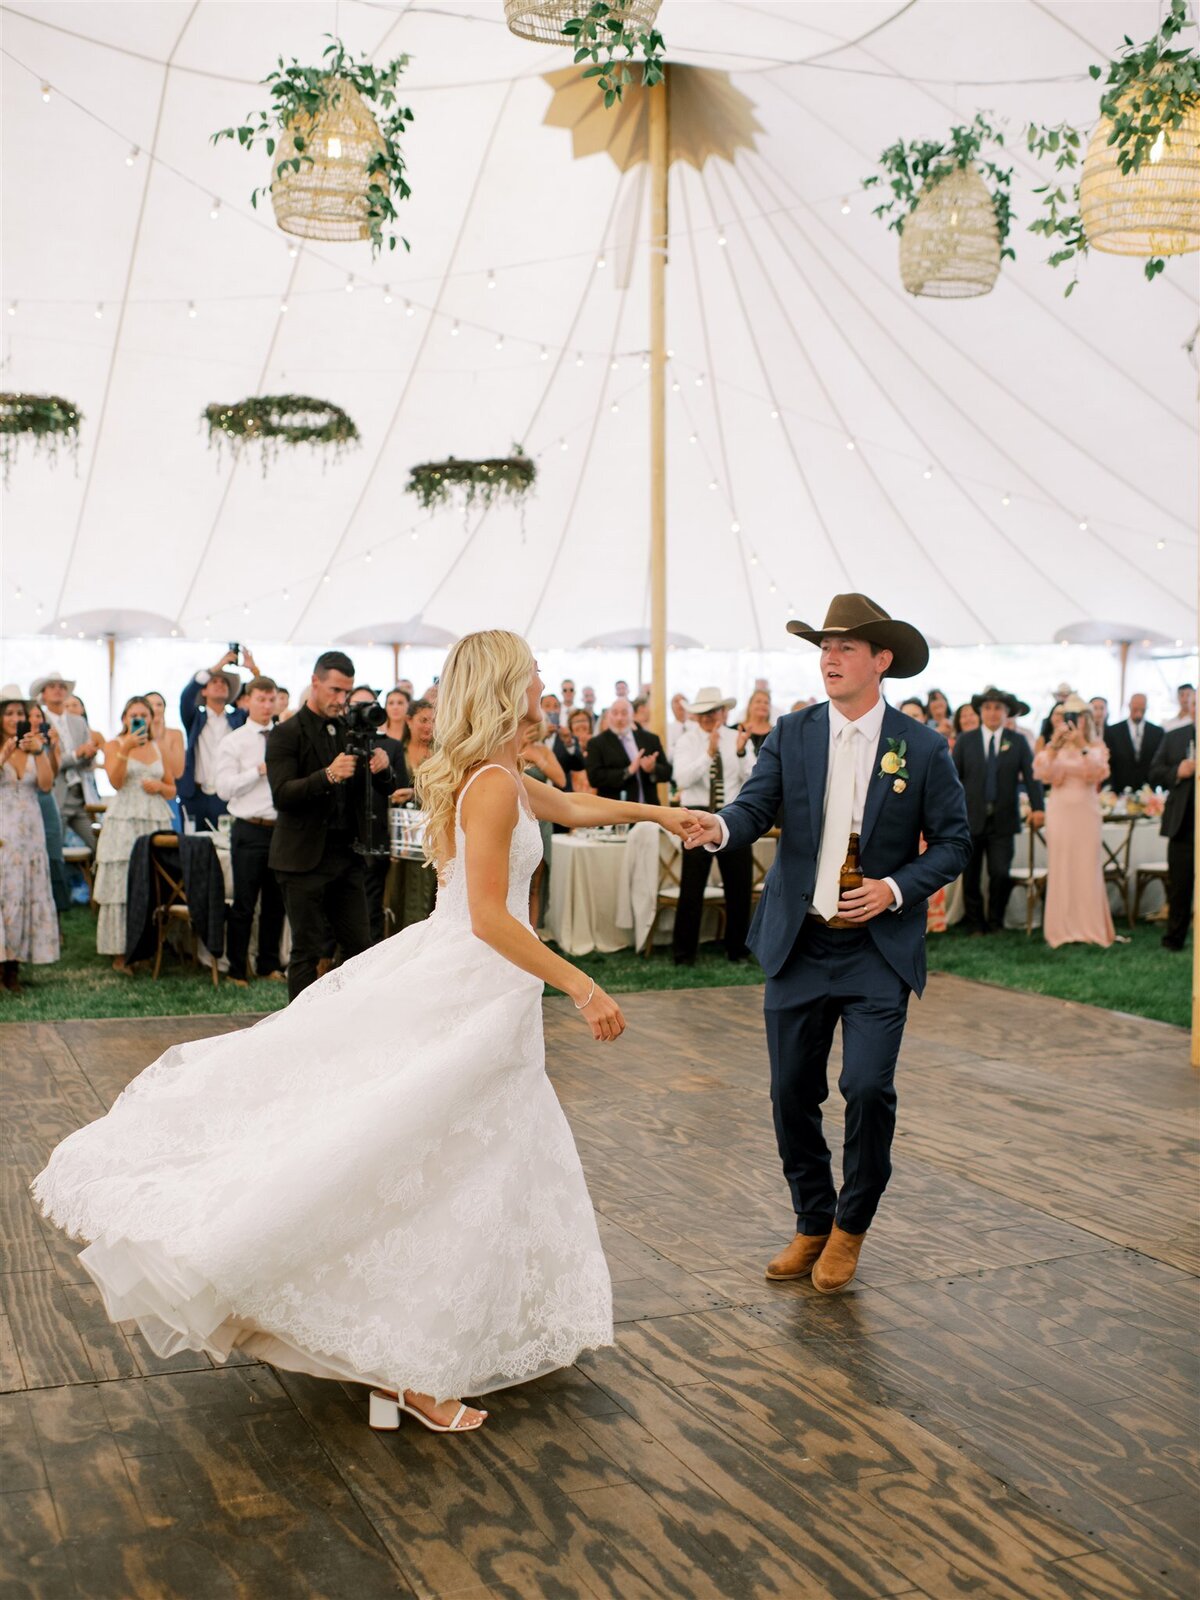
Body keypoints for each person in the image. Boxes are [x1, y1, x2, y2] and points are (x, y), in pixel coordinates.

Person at [32, 629, 696, 1438]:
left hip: (486, 989)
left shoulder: (500, 774)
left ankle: (412, 1356)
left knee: (465, 1162)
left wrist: (660, 813)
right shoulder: (489, 784)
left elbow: (568, 805)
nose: (542, 681)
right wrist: (582, 982)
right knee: (425, 1157)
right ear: (504, 687)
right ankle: (407, 1370)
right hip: (472, 988)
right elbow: (489, 917)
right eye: (532, 673)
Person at [681, 594, 970, 1295]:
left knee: (867, 1088)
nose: (830, 658)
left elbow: (956, 842)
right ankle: (813, 1218)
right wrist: (718, 829)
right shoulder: (793, 732)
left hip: (877, 951)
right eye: (824, 647)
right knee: (789, 1093)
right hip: (799, 944)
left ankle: (851, 1227)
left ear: (881, 661)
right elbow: (754, 809)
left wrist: (895, 889)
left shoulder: (923, 747)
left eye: (845, 647)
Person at [265, 651, 393, 999]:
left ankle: (348, 1023)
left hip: (346, 856)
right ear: (315, 682)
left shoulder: (350, 731)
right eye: (335, 690)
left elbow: (382, 789)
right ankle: (299, 1035)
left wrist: (383, 767)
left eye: (346, 693)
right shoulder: (285, 734)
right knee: (307, 950)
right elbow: (282, 794)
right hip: (301, 859)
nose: (341, 700)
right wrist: (327, 776)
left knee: (360, 947)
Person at [671, 688, 756, 966]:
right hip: (696, 816)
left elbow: (754, 778)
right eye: (704, 713)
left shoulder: (738, 738)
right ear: (696, 716)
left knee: (739, 887)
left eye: (714, 711)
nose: (709, 717)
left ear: (724, 712)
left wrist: (742, 752)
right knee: (692, 887)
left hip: (733, 817)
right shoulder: (687, 740)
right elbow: (681, 778)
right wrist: (708, 753)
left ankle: (738, 950)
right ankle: (684, 955)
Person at [953, 688, 1046, 935]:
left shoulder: (1017, 742)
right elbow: (953, 780)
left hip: (1004, 819)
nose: (992, 713)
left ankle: (995, 921)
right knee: (971, 875)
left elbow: (1032, 777)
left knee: (999, 873)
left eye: (998, 708)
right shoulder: (965, 741)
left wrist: (1038, 808)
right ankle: (975, 923)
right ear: (980, 712)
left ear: (1007, 713)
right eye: (988, 708)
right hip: (970, 819)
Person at [95, 696, 176, 968]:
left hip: (154, 818)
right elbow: (116, 782)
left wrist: (160, 787)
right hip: (124, 819)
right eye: (133, 714)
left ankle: (151, 946)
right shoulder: (114, 744)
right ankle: (121, 952)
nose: (139, 718)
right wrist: (126, 748)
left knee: (151, 879)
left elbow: (172, 788)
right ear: (124, 718)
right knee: (123, 881)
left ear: (152, 719)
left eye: (144, 714)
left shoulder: (158, 746)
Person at [215, 676, 286, 988]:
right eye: (261, 699)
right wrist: (257, 770)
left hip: (281, 829)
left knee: (276, 902)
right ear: (247, 701)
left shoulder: (284, 737)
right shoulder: (235, 741)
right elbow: (223, 788)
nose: (267, 705)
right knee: (245, 903)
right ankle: (236, 970)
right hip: (249, 829)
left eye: (272, 699)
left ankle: (268, 964)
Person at [1031, 697, 1114, 948]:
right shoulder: (1056, 746)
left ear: (1086, 719)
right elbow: (1042, 773)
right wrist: (1054, 746)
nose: (1073, 722)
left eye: (1078, 717)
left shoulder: (1096, 745)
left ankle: (1088, 927)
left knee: (1087, 865)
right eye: (1069, 717)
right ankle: (1061, 927)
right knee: (1062, 864)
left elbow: (1097, 773)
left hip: (1086, 812)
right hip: (1060, 811)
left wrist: (1082, 746)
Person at [0, 695, 60, 991]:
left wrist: (40, 752)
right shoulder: (3, 748)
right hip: (3, 831)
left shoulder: (36, 747)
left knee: (24, 891)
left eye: (19, 713)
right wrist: (3, 754)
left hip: (30, 833)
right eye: (8, 713)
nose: (14, 718)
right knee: (4, 892)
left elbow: (47, 785)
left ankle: (14, 967)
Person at [178, 649, 259, 830]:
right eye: (214, 681)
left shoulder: (237, 719)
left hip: (226, 795)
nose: (220, 684)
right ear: (204, 691)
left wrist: (254, 671)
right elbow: (186, 697)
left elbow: (261, 700)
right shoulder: (195, 718)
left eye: (224, 683)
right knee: (193, 847)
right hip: (195, 794)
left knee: (225, 844)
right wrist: (216, 667)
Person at [384, 697, 438, 936]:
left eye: (434, 721)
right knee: (395, 889)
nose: (428, 726)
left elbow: (447, 789)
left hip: (431, 833)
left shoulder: (441, 754)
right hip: (398, 834)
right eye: (423, 720)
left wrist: (416, 793)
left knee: (425, 891)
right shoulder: (397, 750)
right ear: (409, 721)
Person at [32, 669, 100, 859]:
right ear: (43, 693)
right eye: (52, 686)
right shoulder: (39, 722)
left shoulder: (78, 721)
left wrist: (87, 754)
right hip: (55, 795)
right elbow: (47, 764)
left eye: (62, 687)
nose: (58, 690)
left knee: (100, 845)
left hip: (80, 796)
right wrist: (76, 754)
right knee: (53, 852)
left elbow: (88, 761)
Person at [1150, 719, 1195, 951]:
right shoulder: (1175, 736)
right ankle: (1174, 938)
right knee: (1180, 886)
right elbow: (1155, 772)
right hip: (1184, 824)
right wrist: (1178, 771)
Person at [586, 697, 671, 801]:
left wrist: (653, 768)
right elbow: (594, 778)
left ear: (632, 716)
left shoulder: (650, 739)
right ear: (608, 716)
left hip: (649, 807)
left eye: (624, 713)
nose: (619, 718)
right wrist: (628, 771)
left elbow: (668, 772)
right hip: (616, 810)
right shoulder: (597, 743)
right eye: (615, 713)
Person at [1105, 694, 1163, 795]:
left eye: (1142, 706)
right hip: (1119, 792)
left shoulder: (1157, 732)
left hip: (1149, 793)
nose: (1139, 709)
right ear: (1129, 706)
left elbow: (1160, 762)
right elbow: (1108, 763)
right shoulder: (1113, 731)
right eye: (1136, 705)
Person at [738, 689, 774, 755]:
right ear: (749, 705)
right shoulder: (736, 729)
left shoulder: (775, 732)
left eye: (766, 703)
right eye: (758, 701)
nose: (763, 705)